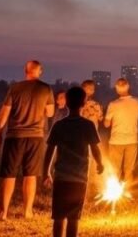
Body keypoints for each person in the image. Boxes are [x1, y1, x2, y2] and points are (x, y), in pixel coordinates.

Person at [0, 60, 55, 220]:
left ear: (25, 70)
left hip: (14, 137)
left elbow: (3, 114)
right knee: (31, 175)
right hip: (36, 137)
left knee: (9, 175)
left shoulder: (15, 88)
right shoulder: (46, 88)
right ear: (39, 71)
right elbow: (50, 113)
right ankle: (27, 211)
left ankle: (3, 212)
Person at [43, 86, 103, 237]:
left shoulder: (59, 125)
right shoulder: (88, 125)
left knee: (58, 216)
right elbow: (95, 148)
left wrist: (46, 172)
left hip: (61, 178)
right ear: (84, 103)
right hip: (79, 179)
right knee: (73, 218)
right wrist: (100, 163)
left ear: (67, 103)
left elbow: (50, 150)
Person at [104, 78, 138, 187]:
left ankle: (115, 193)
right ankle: (127, 191)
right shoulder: (137, 101)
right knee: (129, 169)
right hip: (132, 139)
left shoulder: (113, 104)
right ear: (128, 86)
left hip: (116, 140)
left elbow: (106, 124)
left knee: (115, 169)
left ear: (116, 89)